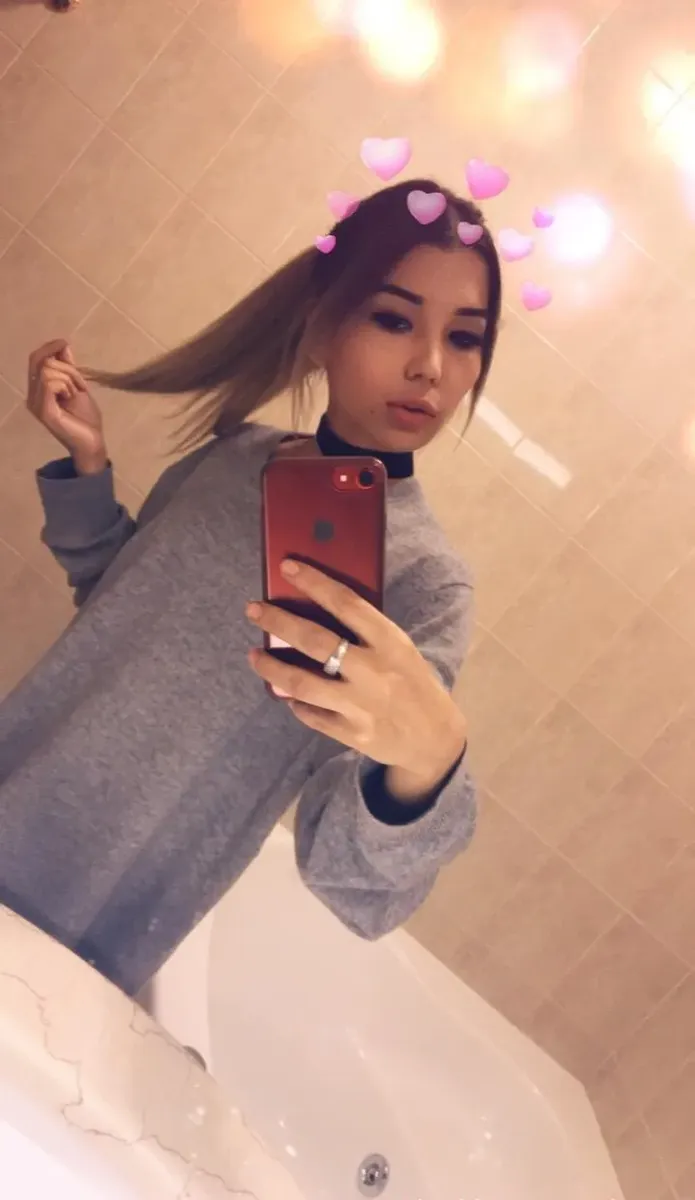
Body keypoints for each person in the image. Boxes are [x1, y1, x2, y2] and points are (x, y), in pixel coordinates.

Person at [0, 178, 502, 1000]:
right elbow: (115, 602)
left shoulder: (424, 582)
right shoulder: (236, 454)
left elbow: (349, 874)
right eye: (393, 318)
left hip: (98, 905)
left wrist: (423, 770)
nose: (431, 367)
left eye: (465, 337)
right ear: (321, 323)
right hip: (19, 768)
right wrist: (89, 466)